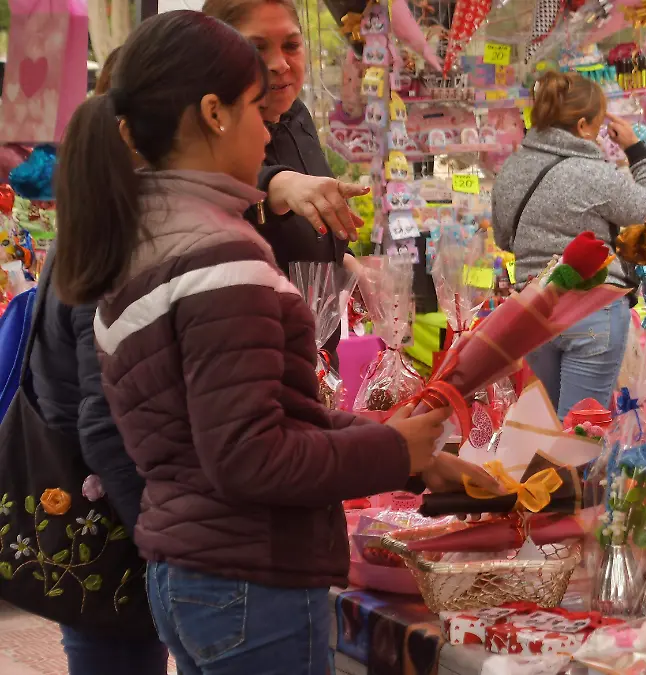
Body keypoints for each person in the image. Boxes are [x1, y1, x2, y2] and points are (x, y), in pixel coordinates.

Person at [52, 11, 495, 674]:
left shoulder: (149, 234)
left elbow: (247, 418)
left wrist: (407, 453)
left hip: (196, 570)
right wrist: (386, 450)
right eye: (258, 107)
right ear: (213, 113)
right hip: (250, 578)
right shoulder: (218, 255)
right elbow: (249, 456)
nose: (270, 129)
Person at [27, 44, 170, 675]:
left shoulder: (94, 220)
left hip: (101, 510)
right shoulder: (114, 237)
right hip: (109, 513)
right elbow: (101, 414)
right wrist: (166, 538)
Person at [492, 71, 646, 419]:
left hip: (533, 308)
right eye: (600, 127)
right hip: (593, 308)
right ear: (585, 125)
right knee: (581, 430)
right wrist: (636, 149)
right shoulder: (594, 173)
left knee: (556, 428)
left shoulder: (510, 170)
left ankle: (551, 476)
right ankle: (572, 475)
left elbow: (503, 238)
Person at [204, 0, 363, 368]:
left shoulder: (296, 116)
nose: (280, 64)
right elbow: (219, 191)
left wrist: (347, 264)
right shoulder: (206, 132)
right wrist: (279, 185)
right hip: (248, 371)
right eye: (257, 49)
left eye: (291, 45)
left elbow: (303, 229)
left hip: (315, 364)